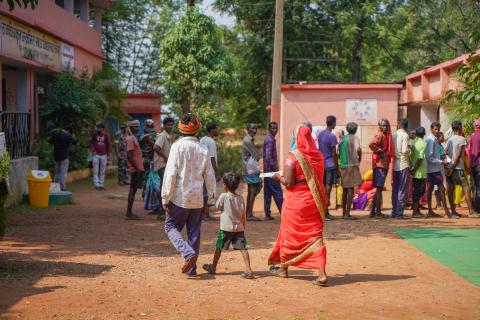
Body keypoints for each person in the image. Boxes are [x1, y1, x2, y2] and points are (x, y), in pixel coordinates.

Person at [269, 125, 329, 286]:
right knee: (315, 235)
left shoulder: (293, 157)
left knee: (289, 233)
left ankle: (283, 269)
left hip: (296, 201)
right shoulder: (318, 156)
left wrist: (277, 177)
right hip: (313, 201)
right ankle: (321, 273)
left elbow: (288, 182)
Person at [162, 114, 216, 276]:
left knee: (170, 226)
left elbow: (170, 174)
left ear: (180, 129)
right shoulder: (203, 149)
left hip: (179, 197)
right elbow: (210, 176)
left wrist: (165, 197)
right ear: (197, 129)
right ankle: (191, 269)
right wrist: (211, 199)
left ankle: (187, 253)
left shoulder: (177, 147)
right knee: (194, 232)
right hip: (198, 199)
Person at [202, 172, 254, 279]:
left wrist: (206, 206)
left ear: (225, 185)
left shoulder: (224, 196)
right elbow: (243, 214)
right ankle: (249, 270)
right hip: (239, 228)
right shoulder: (240, 198)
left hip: (226, 228)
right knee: (243, 248)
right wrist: (243, 226)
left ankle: (213, 267)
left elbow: (215, 208)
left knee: (219, 247)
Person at [446, 121, 472, 217]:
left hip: (449, 168)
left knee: (450, 189)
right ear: (459, 128)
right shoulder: (462, 139)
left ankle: (453, 211)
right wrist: (454, 166)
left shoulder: (449, 139)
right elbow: (460, 155)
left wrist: (448, 165)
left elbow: (445, 152)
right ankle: (471, 211)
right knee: (466, 188)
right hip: (458, 168)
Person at [368, 118, 394, 218]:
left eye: (386, 125)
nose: (385, 127)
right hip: (380, 165)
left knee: (378, 188)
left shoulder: (386, 135)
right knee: (379, 189)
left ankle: (373, 212)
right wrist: (379, 151)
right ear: (379, 126)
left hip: (382, 165)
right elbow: (371, 144)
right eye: (383, 125)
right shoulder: (379, 134)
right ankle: (377, 212)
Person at [425, 122, 450, 218]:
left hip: (434, 168)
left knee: (431, 189)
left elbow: (440, 154)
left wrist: (444, 161)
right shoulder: (431, 140)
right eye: (435, 129)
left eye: (438, 129)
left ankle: (430, 211)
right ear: (431, 129)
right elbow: (429, 157)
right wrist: (441, 162)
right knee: (441, 189)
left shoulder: (435, 140)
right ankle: (447, 212)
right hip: (433, 169)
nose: (437, 131)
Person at [317, 115, 339, 221]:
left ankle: (322, 211)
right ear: (333, 123)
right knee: (328, 189)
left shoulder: (320, 134)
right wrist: (338, 168)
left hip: (322, 165)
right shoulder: (332, 136)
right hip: (330, 165)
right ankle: (325, 213)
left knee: (322, 189)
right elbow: (334, 154)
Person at [338, 122, 362, 220]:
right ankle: (347, 213)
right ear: (355, 129)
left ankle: (344, 212)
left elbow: (338, 151)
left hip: (343, 165)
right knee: (351, 189)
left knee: (344, 189)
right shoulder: (355, 138)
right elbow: (358, 149)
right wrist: (359, 157)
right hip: (352, 165)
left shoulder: (343, 139)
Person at [153, 117, 175, 219]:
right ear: (164, 125)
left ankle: (162, 210)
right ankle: (161, 211)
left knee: (165, 187)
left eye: (171, 125)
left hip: (166, 165)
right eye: (168, 125)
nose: (170, 126)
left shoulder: (169, 136)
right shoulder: (162, 136)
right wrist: (166, 157)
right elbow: (156, 147)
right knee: (164, 187)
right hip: (162, 165)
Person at [263, 121, 284, 220]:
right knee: (278, 193)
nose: (275, 130)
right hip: (271, 172)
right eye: (273, 128)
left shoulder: (268, 139)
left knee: (268, 193)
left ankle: (267, 214)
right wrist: (276, 170)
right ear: (269, 129)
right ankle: (284, 213)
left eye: (276, 128)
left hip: (267, 171)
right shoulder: (270, 140)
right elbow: (268, 157)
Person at [200, 123, 220, 220]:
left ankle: (204, 213)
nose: (217, 131)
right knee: (208, 192)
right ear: (212, 130)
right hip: (209, 170)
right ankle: (205, 214)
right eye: (216, 129)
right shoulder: (211, 142)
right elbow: (212, 158)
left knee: (204, 192)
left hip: (201, 169)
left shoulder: (202, 139)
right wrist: (217, 172)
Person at [391, 118, 411, 219]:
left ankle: (394, 211)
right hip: (403, 164)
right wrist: (410, 149)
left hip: (395, 165)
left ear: (398, 125)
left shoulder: (394, 135)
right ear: (406, 126)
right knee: (402, 189)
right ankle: (399, 213)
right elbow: (404, 150)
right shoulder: (405, 135)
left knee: (395, 189)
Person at [242, 123, 262, 221]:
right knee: (252, 191)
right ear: (248, 129)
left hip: (250, 168)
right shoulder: (248, 140)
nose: (254, 130)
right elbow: (257, 156)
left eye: (256, 128)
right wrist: (261, 150)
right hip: (250, 169)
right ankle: (249, 214)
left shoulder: (249, 139)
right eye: (252, 128)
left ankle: (248, 213)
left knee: (251, 191)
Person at [125, 120, 144, 220]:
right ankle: (129, 212)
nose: (137, 128)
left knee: (134, 189)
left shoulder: (133, 138)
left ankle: (129, 212)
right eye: (135, 127)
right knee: (132, 189)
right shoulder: (130, 139)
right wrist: (136, 168)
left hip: (137, 167)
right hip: (135, 168)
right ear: (131, 127)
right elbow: (129, 155)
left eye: (138, 126)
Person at [50, 127, 78, 191]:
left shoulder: (56, 134)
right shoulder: (67, 136)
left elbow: (50, 141)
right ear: (68, 131)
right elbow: (75, 142)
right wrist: (69, 143)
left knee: (57, 172)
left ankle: (55, 186)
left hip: (56, 156)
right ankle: (62, 187)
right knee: (63, 172)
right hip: (64, 156)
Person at [410, 126, 427, 218]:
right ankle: (415, 212)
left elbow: (409, 156)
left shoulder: (413, 142)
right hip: (420, 172)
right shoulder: (423, 143)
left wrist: (411, 168)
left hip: (414, 170)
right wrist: (415, 169)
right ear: (424, 134)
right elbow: (420, 158)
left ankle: (417, 211)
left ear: (416, 134)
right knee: (419, 192)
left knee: (416, 191)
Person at [90, 123, 111, 190]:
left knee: (102, 171)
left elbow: (109, 145)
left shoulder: (106, 135)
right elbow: (92, 143)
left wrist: (108, 155)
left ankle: (101, 184)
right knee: (95, 170)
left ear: (102, 128)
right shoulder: (95, 135)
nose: (98, 129)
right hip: (96, 155)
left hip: (104, 155)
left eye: (99, 127)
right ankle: (96, 184)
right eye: (97, 127)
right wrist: (93, 150)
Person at [139, 119, 157, 195]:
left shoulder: (141, 136)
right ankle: (152, 193)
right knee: (154, 177)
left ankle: (144, 191)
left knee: (145, 175)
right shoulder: (156, 135)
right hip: (154, 159)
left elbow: (138, 147)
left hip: (144, 159)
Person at [468, 118, 480, 214]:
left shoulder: (472, 136)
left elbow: (470, 151)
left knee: (475, 187)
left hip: (473, 165)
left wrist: (469, 165)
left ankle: (476, 207)